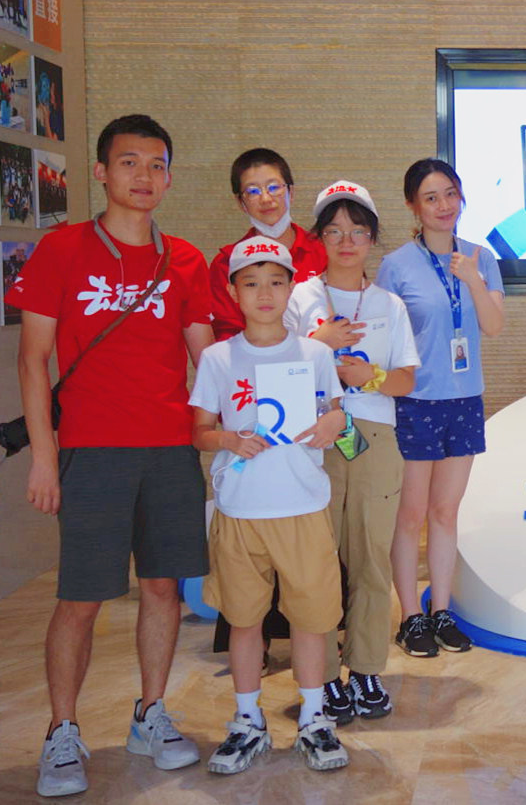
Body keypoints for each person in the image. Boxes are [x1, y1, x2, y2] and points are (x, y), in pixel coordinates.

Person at [7, 114, 214, 798]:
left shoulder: (184, 260)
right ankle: (62, 730)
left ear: (169, 177)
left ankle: (151, 714)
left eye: (156, 165)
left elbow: (210, 361)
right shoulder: (61, 250)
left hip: (170, 450)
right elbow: (33, 361)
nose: (143, 176)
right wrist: (45, 456)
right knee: (82, 598)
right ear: (101, 172)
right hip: (91, 451)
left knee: (162, 589)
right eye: (129, 163)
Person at [191, 237, 350, 774]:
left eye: (277, 282)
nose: (265, 294)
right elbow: (200, 431)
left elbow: (336, 415)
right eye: (252, 283)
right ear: (233, 291)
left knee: (311, 619)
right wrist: (228, 440)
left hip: (303, 506)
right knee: (243, 621)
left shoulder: (315, 354)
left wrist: (336, 421)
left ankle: (313, 717)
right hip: (241, 510)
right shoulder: (218, 357)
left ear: (291, 289)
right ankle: (247, 721)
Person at [285, 181, 419, 722]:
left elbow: (407, 380)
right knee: (316, 562)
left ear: (371, 239)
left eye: (358, 232)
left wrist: (372, 376)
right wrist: (319, 344)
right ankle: (321, 677)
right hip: (315, 437)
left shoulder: (389, 303)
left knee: (370, 559)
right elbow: (275, 367)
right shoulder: (299, 297)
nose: (346, 242)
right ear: (319, 237)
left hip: (375, 437)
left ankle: (364, 669)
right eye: (335, 231)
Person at [376, 158, 504, 657]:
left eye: (450, 193)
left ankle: (441, 609)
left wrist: (471, 278)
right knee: (410, 516)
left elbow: (493, 326)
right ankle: (411, 616)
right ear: (414, 206)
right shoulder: (396, 266)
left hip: (465, 400)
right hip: (415, 402)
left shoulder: (481, 257)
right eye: (431, 197)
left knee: (446, 512)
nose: (444, 205)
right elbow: (385, 341)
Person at [208, 148, 327, 342]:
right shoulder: (226, 263)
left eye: (274, 187)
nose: (265, 199)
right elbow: (227, 337)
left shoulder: (324, 250)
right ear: (240, 202)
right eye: (253, 191)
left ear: (291, 192)